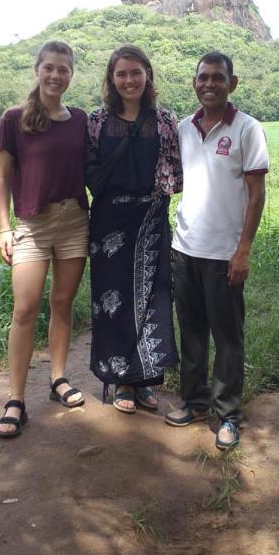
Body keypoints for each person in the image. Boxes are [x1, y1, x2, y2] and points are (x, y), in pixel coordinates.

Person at [166, 52, 269, 450]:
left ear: (232, 83)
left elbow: (257, 195)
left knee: (227, 337)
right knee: (191, 331)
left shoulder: (247, 129)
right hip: (184, 248)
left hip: (225, 253)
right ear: (194, 82)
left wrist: (243, 250)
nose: (210, 84)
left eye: (218, 78)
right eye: (203, 77)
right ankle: (194, 401)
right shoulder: (182, 129)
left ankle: (227, 414)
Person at [0, 40, 89, 438]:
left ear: (71, 75)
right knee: (24, 309)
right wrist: (3, 227)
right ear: (38, 70)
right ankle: (15, 398)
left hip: (74, 221)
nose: (56, 75)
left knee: (62, 302)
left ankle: (57, 378)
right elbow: (1, 178)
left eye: (63, 69)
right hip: (32, 224)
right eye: (49, 68)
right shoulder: (14, 118)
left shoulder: (81, 119)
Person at [86, 45, 182, 413]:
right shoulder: (95, 121)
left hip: (151, 220)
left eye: (135, 72)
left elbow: (175, 170)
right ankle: (121, 380)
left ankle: (145, 380)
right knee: (112, 304)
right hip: (109, 222)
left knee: (152, 298)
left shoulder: (165, 121)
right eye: (121, 74)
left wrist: (155, 200)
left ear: (148, 75)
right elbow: (87, 168)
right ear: (112, 79)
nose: (129, 80)